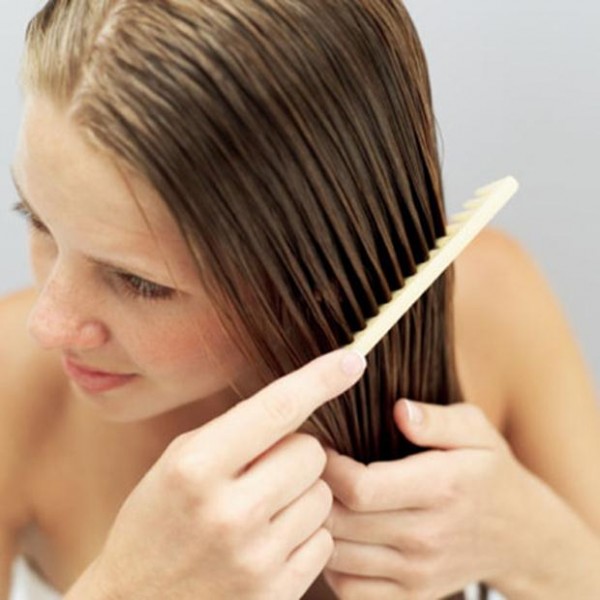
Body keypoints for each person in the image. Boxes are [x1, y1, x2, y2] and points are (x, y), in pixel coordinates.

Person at [2, 1, 600, 599]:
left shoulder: (492, 305)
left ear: (318, 273)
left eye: (140, 283)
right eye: (38, 219)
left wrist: (528, 543)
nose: (48, 324)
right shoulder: (14, 390)